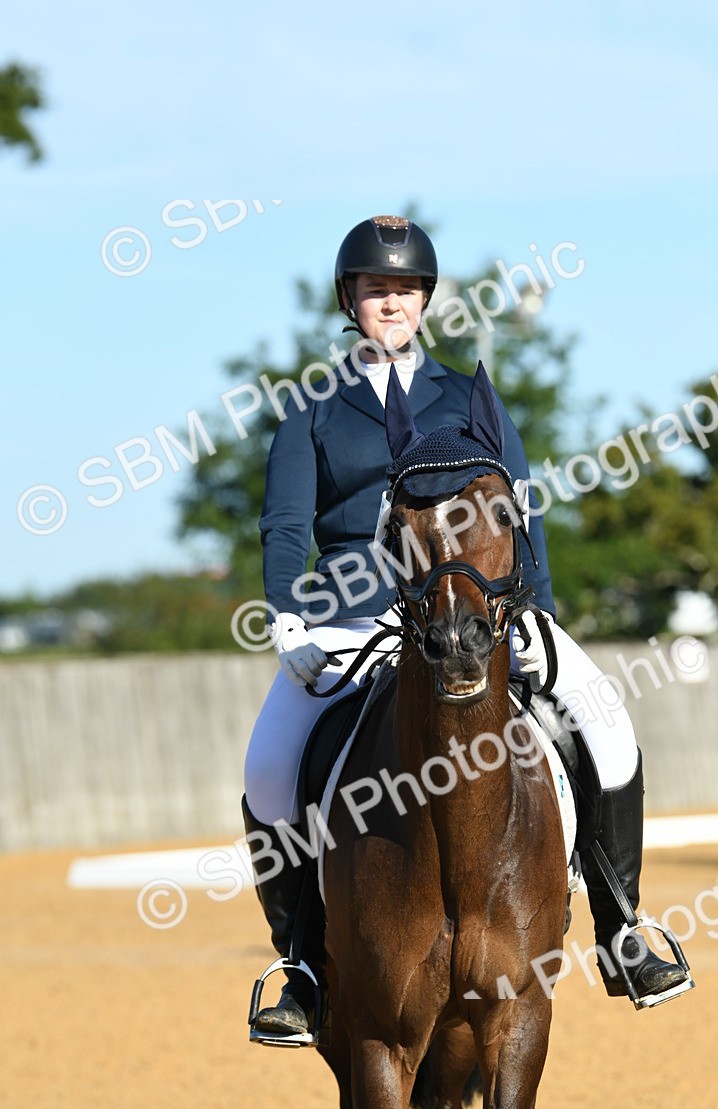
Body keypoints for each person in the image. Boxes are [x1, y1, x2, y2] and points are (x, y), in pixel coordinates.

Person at [243, 215, 689, 1040]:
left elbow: (520, 513)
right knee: (269, 772)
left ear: (423, 301)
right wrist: (287, 620)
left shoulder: (466, 398)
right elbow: (283, 526)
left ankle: (622, 925)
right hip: (351, 617)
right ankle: (301, 964)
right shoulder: (311, 411)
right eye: (376, 289)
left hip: (478, 612)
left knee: (605, 721)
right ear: (350, 299)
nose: (391, 301)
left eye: (405, 289)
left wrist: (538, 612)